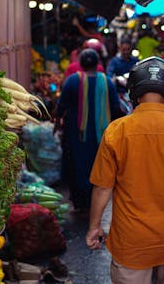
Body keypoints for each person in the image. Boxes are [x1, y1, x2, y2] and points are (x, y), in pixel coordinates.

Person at [85, 57, 164, 284]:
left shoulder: (117, 131)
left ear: (133, 91)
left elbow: (102, 187)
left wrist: (94, 226)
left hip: (131, 240)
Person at [54, 49, 121, 210]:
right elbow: (116, 108)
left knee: (76, 166)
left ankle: (80, 203)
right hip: (101, 136)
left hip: (76, 134)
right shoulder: (107, 82)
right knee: (97, 167)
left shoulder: (72, 81)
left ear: (80, 63)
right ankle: (96, 201)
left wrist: (57, 124)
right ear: (97, 64)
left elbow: (61, 106)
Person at [107, 35, 139, 114]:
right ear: (120, 49)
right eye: (124, 50)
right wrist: (117, 79)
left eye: (128, 49)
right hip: (119, 94)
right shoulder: (114, 62)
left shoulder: (136, 61)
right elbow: (109, 76)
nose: (126, 52)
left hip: (134, 94)